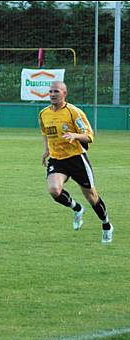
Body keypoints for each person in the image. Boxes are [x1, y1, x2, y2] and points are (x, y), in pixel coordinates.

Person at [40, 81, 113, 243]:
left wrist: (75, 136)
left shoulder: (74, 112)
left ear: (64, 93)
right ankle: (77, 208)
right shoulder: (44, 113)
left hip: (77, 159)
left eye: (56, 91)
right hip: (57, 159)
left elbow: (89, 136)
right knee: (53, 190)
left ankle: (106, 224)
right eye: (51, 91)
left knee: (91, 196)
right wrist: (46, 150)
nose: (52, 94)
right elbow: (45, 132)